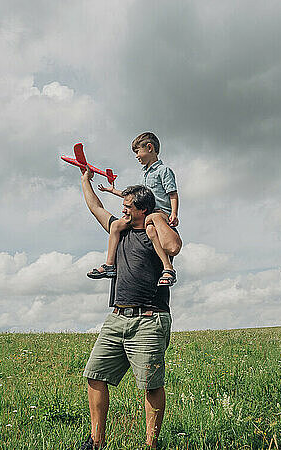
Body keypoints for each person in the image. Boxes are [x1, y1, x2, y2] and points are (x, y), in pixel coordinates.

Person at [79, 167, 182, 449]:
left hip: (150, 318)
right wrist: (85, 181)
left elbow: (174, 246)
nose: (122, 210)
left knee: (150, 384)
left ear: (143, 210)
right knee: (94, 375)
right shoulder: (120, 230)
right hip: (116, 317)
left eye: (128, 207)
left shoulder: (155, 233)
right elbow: (95, 207)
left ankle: (151, 444)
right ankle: (96, 442)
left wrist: (157, 217)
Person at [87, 132, 180, 287]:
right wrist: (112, 191)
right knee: (116, 226)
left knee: (151, 229)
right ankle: (109, 265)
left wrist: (174, 213)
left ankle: (168, 268)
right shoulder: (143, 174)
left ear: (149, 148)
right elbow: (134, 197)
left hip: (159, 213)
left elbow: (173, 193)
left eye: (137, 151)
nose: (136, 156)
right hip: (144, 213)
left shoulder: (163, 171)